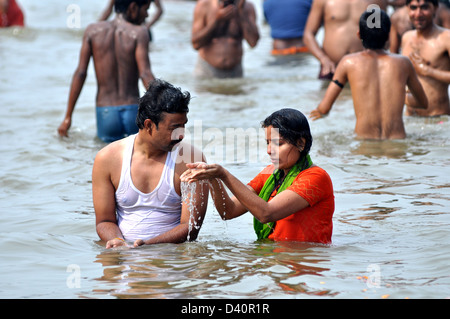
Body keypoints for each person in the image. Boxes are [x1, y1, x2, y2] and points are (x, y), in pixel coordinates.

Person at [181, 108, 335, 244]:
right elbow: (228, 211)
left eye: (278, 144)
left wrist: (224, 174)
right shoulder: (270, 173)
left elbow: (266, 213)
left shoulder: (316, 177)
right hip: (274, 260)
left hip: (302, 265)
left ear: (301, 144)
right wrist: (213, 177)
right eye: (268, 143)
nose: (269, 150)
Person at [93, 79, 209, 249]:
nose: (181, 135)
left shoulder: (191, 160)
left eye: (184, 126)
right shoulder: (107, 158)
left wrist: (147, 245)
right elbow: (104, 221)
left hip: (171, 260)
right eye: (174, 128)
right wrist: (117, 241)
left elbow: (190, 228)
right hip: (124, 256)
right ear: (149, 125)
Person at [310, 8, 428, 139]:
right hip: (397, 143)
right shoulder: (404, 63)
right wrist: (398, 98)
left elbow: (325, 108)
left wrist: (319, 112)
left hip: (365, 143)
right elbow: (423, 103)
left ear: (359, 35)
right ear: (388, 35)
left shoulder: (348, 62)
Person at [58, 0, 155, 143]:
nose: (147, 15)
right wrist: (162, 107)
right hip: (132, 111)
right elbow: (145, 74)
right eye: (146, 9)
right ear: (133, 7)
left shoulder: (92, 31)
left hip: (105, 112)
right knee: (136, 158)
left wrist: (67, 117)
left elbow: (80, 73)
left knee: (106, 160)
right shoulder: (139, 33)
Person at [303, 0, 387, 80]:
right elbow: (308, 34)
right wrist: (323, 59)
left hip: (365, 66)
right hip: (331, 68)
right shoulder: (323, 1)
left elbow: (386, 33)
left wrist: (378, 58)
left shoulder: (376, 1)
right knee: (324, 95)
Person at [401, 0, 450, 116]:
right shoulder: (406, 38)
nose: (418, 14)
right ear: (407, 9)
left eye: (424, 7)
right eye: (413, 8)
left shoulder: (446, 38)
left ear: (436, 8)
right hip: (410, 119)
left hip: (438, 120)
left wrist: (428, 71)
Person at [191, 0, 260, 78]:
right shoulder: (204, 5)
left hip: (235, 72)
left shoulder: (247, 7)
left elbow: (253, 43)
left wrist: (241, 13)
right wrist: (217, 20)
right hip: (206, 70)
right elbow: (195, 44)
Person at [99, 0, 163, 41]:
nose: (147, 14)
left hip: (140, 26)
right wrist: (99, 27)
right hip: (122, 28)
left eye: (147, 9)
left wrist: (147, 26)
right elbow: (109, 10)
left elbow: (160, 10)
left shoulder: (142, 33)